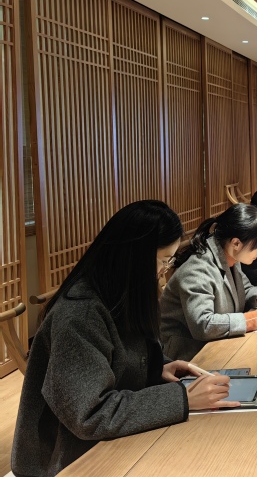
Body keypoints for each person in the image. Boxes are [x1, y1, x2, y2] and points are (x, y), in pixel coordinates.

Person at [12, 201, 237, 477]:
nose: (165, 270)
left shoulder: (122, 293)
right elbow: (90, 414)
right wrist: (183, 399)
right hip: (72, 460)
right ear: (134, 257)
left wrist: (157, 367)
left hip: (114, 442)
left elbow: (119, 361)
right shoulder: (80, 314)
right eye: (163, 260)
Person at [160, 204, 257, 361]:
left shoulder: (230, 257)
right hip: (189, 357)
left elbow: (245, 289)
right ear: (236, 243)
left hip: (219, 347)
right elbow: (203, 325)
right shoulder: (197, 270)